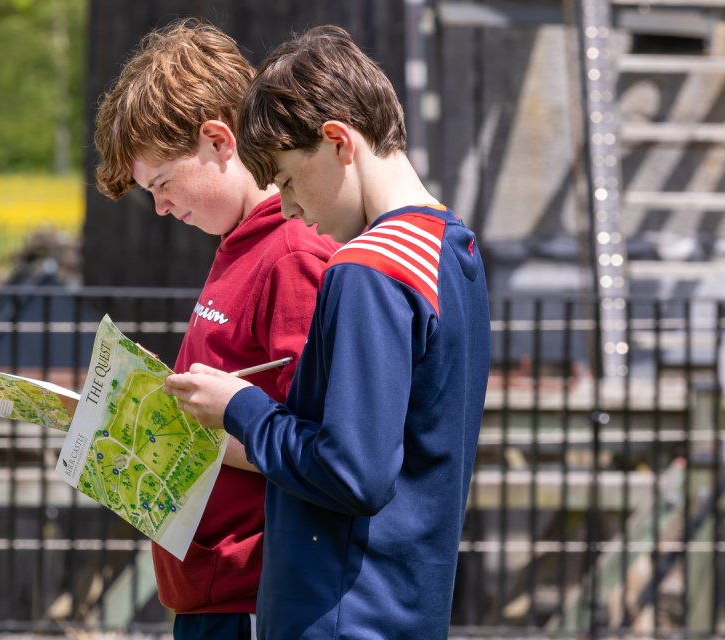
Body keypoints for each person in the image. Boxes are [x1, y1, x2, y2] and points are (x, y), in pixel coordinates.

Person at [163, 25, 491, 639]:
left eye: (286, 179)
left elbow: (352, 472)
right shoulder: (452, 247)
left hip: (342, 615)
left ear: (339, 141)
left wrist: (243, 410)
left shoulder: (367, 267)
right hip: (408, 607)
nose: (287, 208)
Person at [93, 18, 339, 640]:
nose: (161, 207)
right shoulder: (240, 243)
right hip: (212, 590)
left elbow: (318, 448)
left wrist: (191, 426)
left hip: (253, 592)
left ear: (218, 140)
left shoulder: (291, 255)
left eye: (164, 182)